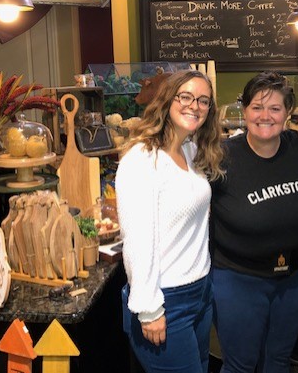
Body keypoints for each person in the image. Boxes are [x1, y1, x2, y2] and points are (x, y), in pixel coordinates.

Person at [115, 69, 224, 373]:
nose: (195, 106)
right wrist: (149, 309)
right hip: (166, 301)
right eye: (185, 96)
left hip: (200, 291)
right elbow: (137, 240)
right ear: (167, 100)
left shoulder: (190, 151)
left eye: (203, 101)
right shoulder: (142, 158)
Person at [211, 71, 298, 373]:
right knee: (241, 365)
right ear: (244, 110)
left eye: (275, 108)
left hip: (292, 281)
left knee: (278, 362)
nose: (265, 116)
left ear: (287, 113)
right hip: (238, 281)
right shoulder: (222, 156)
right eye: (257, 107)